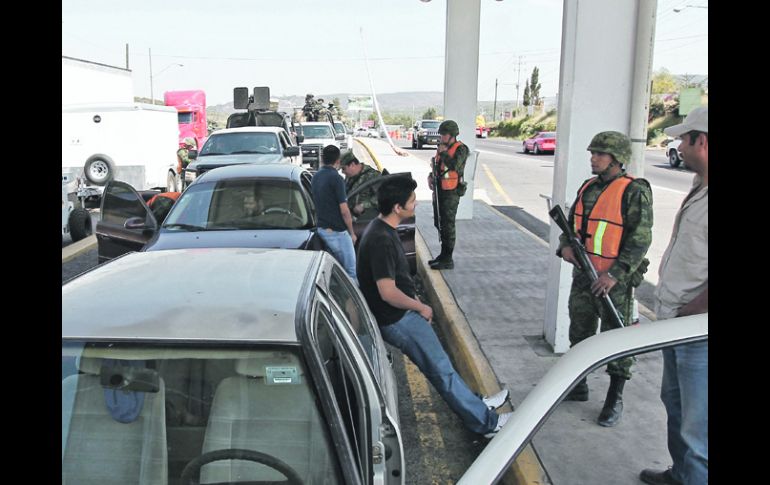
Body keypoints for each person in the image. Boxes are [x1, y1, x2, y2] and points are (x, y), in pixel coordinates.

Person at [357, 175, 512, 438]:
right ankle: (486, 424)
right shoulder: (381, 239)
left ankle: (477, 404)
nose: (415, 204)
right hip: (398, 318)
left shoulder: (378, 228)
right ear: (398, 207)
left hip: (399, 315)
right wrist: (420, 307)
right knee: (442, 372)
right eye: (412, 201)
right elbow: (387, 291)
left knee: (444, 367)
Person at [558, 131, 653, 427]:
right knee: (580, 330)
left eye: (600, 154)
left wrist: (614, 275)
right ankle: (579, 385)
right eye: (593, 153)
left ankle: (615, 397)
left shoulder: (634, 191)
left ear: (617, 159)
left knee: (616, 338)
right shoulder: (588, 187)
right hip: (585, 276)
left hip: (615, 283)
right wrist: (564, 247)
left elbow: (640, 240)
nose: (593, 158)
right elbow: (572, 225)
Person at [640, 106, 708, 485]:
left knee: (700, 436)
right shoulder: (700, 186)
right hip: (678, 326)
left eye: (684, 138)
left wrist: (688, 314)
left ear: (702, 141)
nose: (678, 145)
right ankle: (681, 475)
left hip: (698, 333)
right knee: (677, 408)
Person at [311, 145, 358, 283]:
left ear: (322, 158)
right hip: (338, 232)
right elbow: (344, 210)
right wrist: (352, 233)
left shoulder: (315, 177)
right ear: (338, 160)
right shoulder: (336, 179)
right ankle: (354, 303)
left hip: (322, 229)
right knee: (350, 273)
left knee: (332, 275)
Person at [426, 120, 469, 270]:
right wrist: (430, 176)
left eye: (444, 135)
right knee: (440, 222)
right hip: (440, 190)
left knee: (448, 224)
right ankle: (443, 255)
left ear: (452, 136)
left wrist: (443, 152)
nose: (441, 137)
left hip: (451, 192)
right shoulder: (442, 148)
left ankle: (448, 258)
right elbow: (437, 166)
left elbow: (455, 166)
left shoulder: (461, 149)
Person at [340, 150, 382, 220]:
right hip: (349, 215)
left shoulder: (373, 176)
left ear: (352, 165)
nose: (342, 172)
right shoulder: (350, 177)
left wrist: (363, 205)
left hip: (365, 218)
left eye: (344, 168)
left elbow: (381, 197)